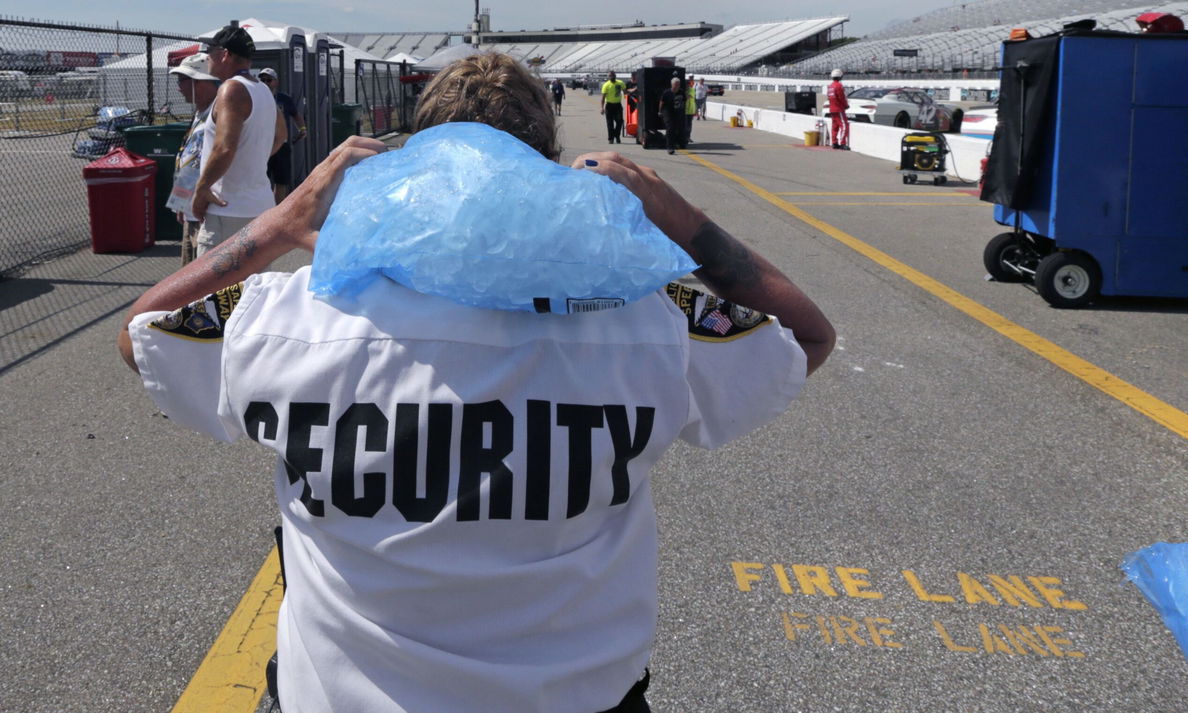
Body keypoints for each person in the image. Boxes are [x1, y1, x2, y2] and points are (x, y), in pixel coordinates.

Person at [117, 51, 835, 713]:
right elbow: (806, 334)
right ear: (551, 168)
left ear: (413, 161)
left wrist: (281, 220)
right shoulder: (652, 319)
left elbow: (142, 332)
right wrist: (675, 216)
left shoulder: (294, 312)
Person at [191, 25, 286, 256]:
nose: (208, 59)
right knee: (251, 289)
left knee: (215, 289)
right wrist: (253, 158)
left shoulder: (231, 89)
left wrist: (201, 189)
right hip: (259, 206)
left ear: (225, 54)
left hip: (228, 212)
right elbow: (281, 135)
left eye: (210, 52)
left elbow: (224, 148)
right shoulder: (263, 89)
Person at [165, 53, 220, 266]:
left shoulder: (217, 113)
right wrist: (181, 201)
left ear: (201, 82)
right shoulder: (200, 113)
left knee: (200, 270)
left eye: (182, 81)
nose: (179, 87)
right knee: (188, 266)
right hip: (191, 206)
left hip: (204, 208)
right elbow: (190, 159)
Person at [259, 67, 308, 204]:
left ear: (276, 82)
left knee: (282, 180)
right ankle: (264, 209)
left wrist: (302, 129)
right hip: (263, 145)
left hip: (281, 145)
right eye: (262, 80)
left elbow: (296, 115)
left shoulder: (284, 99)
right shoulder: (256, 97)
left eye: (269, 80)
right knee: (262, 180)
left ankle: (278, 208)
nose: (265, 83)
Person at [659, 76, 687, 155]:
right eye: (676, 85)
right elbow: (661, 102)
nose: (677, 86)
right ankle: (670, 147)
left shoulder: (681, 92)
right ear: (672, 85)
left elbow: (684, 101)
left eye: (678, 85)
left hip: (678, 112)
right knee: (670, 128)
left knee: (679, 128)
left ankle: (680, 143)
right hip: (667, 112)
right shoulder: (667, 93)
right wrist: (659, 111)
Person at [600, 70, 626, 144]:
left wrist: (635, 89)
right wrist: (602, 108)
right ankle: (611, 139)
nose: (612, 77)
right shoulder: (606, 85)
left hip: (618, 105)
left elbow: (625, 92)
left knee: (620, 121)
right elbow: (603, 98)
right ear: (608, 77)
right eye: (610, 76)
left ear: (615, 76)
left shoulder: (620, 83)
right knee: (610, 123)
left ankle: (616, 135)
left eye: (613, 75)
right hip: (609, 105)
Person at [827, 68, 850, 150]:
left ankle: (834, 142)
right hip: (839, 109)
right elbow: (842, 97)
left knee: (834, 126)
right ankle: (843, 143)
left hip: (832, 109)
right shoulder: (839, 86)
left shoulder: (830, 86)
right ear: (840, 76)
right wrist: (846, 105)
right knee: (844, 125)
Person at [684, 77, 697, 145]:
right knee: (685, 125)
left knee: (689, 125)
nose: (687, 85)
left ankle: (688, 137)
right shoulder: (682, 91)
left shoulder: (692, 90)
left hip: (691, 110)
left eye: (688, 84)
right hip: (685, 110)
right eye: (686, 84)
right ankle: (685, 137)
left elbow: (691, 97)